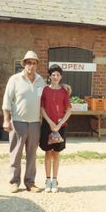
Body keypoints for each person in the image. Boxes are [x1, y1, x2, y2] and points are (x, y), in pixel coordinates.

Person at [2, 51, 71, 193]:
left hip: (34, 123)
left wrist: (64, 86)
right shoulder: (14, 79)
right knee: (16, 153)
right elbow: (6, 101)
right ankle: (14, 182)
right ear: (24, 64)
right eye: (28, 62)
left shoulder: (40, 80)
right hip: (18, 122)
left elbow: (53, 85)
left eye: (34, 63)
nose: (31, 65)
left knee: (32, 154)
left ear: (37, 65)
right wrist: (6, 120)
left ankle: (30, 182)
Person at [39, 64, 71, 193]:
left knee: (56, 154)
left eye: (58, 75)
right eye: (53, 75)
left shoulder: (64, 91)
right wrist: (50, 123)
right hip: (47, 125)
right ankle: (47, 180)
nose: (55, 77)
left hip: (60, 126)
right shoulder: (45, 90)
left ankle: (55, 180)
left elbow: (69, 110)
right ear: (50, 76)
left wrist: (58, 124)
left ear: (61, 76)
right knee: (47, 153)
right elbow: (42, 108)